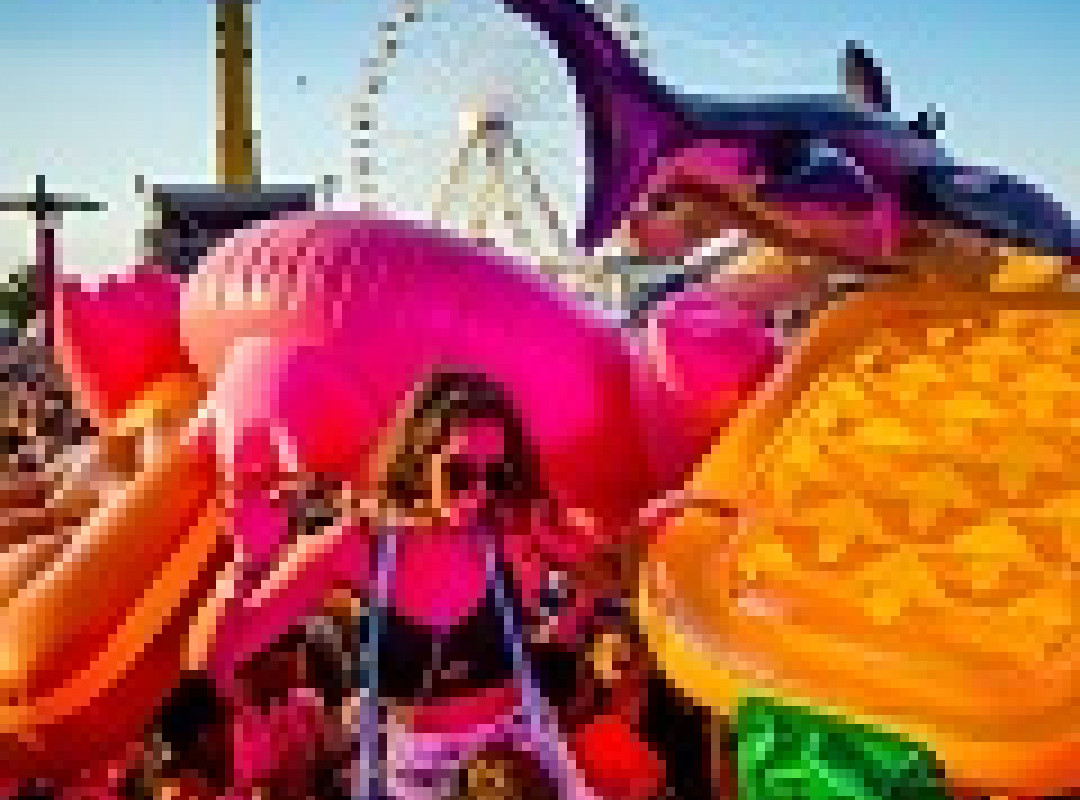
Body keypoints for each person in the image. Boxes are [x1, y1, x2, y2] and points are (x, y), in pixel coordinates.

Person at [223, 369, 610, 800]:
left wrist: (572, 604)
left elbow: (613, 573)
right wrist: (246, 560)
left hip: (519, 757)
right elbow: (223, 651)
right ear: (421, 455)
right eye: (459, 473)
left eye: (496, 475)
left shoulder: (513, 532)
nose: (479, 493)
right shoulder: (359, 545)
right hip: (421, 775)